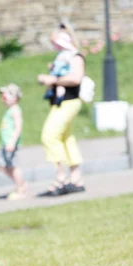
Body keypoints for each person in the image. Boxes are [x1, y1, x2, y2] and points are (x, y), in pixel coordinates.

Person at [37, 22, 86, 196]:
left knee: (49, 136)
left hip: (69, 102)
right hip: (62, 102)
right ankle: (76, 178)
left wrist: (53, 80)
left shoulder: (75, 57)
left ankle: (61, 178)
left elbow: (76, 78)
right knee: (66, 138)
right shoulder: (64, 57)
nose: (54, 46)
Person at [0, 83, 27, 200]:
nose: (3, 98)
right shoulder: (10, 110)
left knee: (13, 167)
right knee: (2, 166)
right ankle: (21, 184)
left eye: (6, 96)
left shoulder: (15, 110)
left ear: (14, 98)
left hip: (10, 144)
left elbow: (18, 127)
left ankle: (21, 189)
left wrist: (12, 142)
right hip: (6, 144)